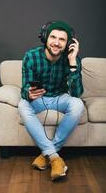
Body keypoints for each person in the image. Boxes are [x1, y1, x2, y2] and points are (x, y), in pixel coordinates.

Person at [18, 20, 84, 181]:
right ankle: (55, 157)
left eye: (62, 39)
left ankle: (47, 154)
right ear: (45, 38)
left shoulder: (72, 59)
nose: (56, 43)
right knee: (22, 104)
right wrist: (29, 93)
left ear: (68, 43)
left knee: (78, 104)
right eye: (53, 37)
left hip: (60, 98)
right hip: (39, 99)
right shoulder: (31, 56)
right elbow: (25, 87)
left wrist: (73, 62)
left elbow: (76, 93)